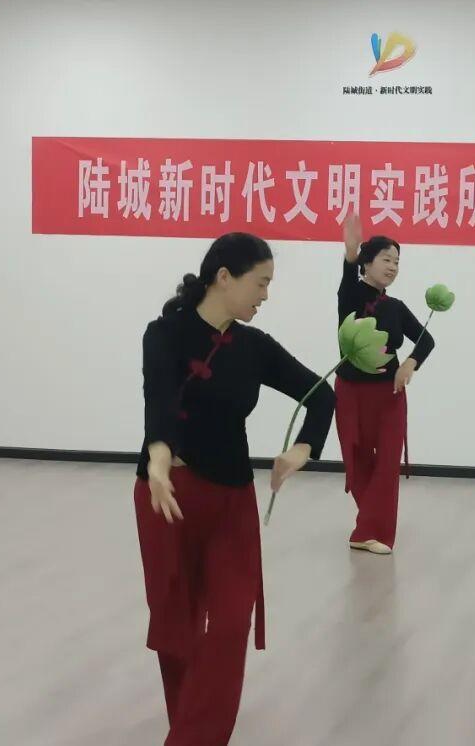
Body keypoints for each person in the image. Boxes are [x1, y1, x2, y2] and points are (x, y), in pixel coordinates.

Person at [134, 232, 335, 744]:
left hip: (232, 502)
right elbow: (159, 399)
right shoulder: (165, 333)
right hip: (169, 495)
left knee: (228, 623)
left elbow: (321, 395)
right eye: (260, 283)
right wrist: (159, 457)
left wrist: (303, 449)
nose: (266, 295)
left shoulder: (254, 347)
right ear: (224, 277)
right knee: (177, 628)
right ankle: (191, 728)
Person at [334, 212, 435, 554]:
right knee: (357, 458)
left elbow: (426, 340)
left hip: (389, 393)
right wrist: (350, 252)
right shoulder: (350, 295)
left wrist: (409, 363)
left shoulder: (396, 307)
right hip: (351, 392)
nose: (393, 266)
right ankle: (368, 529)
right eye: (386, 259)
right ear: (367, 262)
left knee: (388, 462)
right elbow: (348, 277)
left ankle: (369, 531)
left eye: (397, 261)